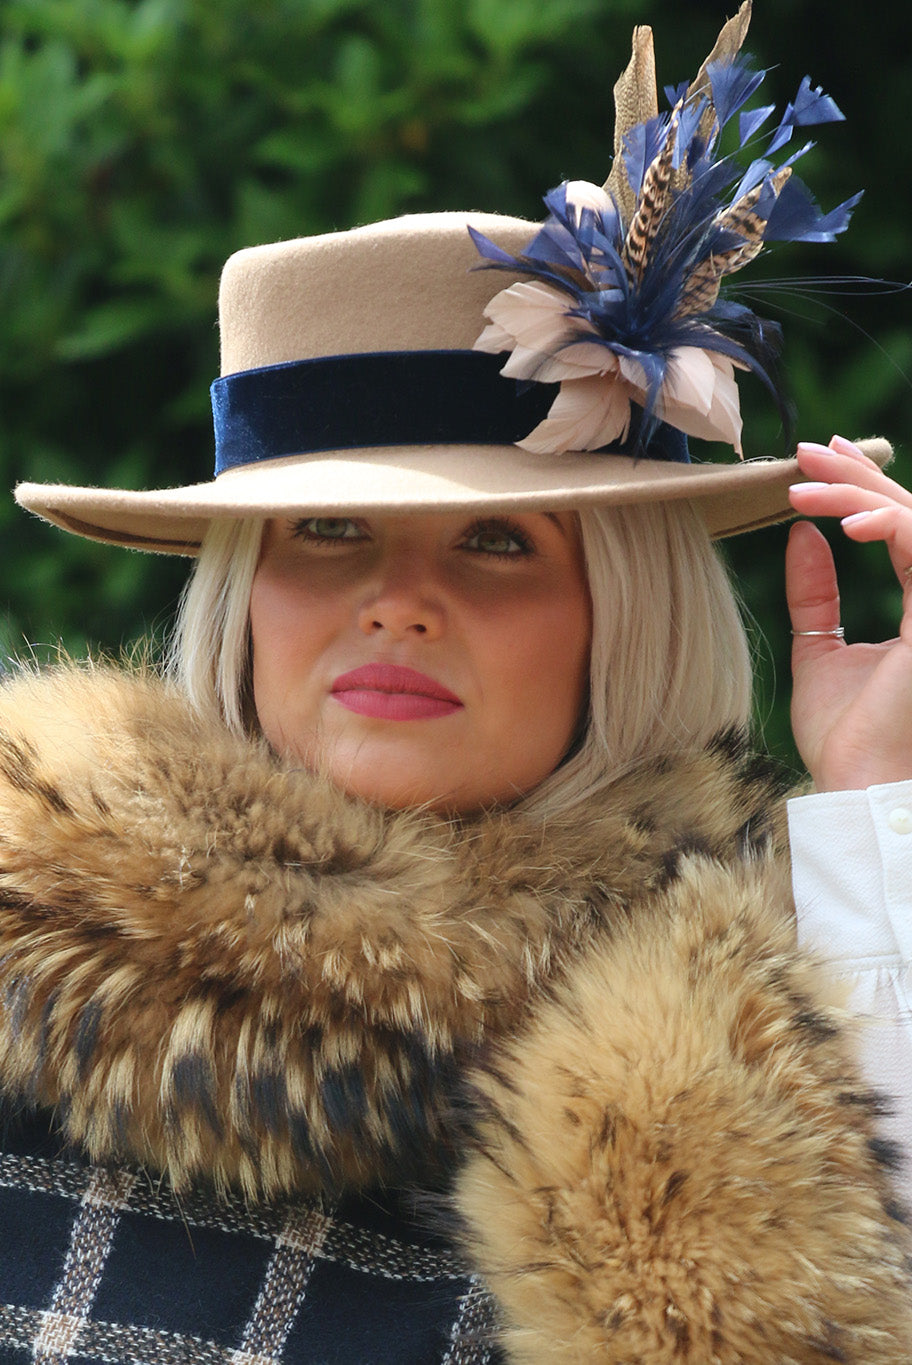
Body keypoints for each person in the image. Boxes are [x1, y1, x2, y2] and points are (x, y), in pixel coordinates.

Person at [1, 6, 910, 1362]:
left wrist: (879, 804)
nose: (398, 599)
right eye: (326, 528)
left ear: (627, 617)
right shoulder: (28, 955)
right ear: (244, 595)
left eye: (497, 539)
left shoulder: (794, 1021)